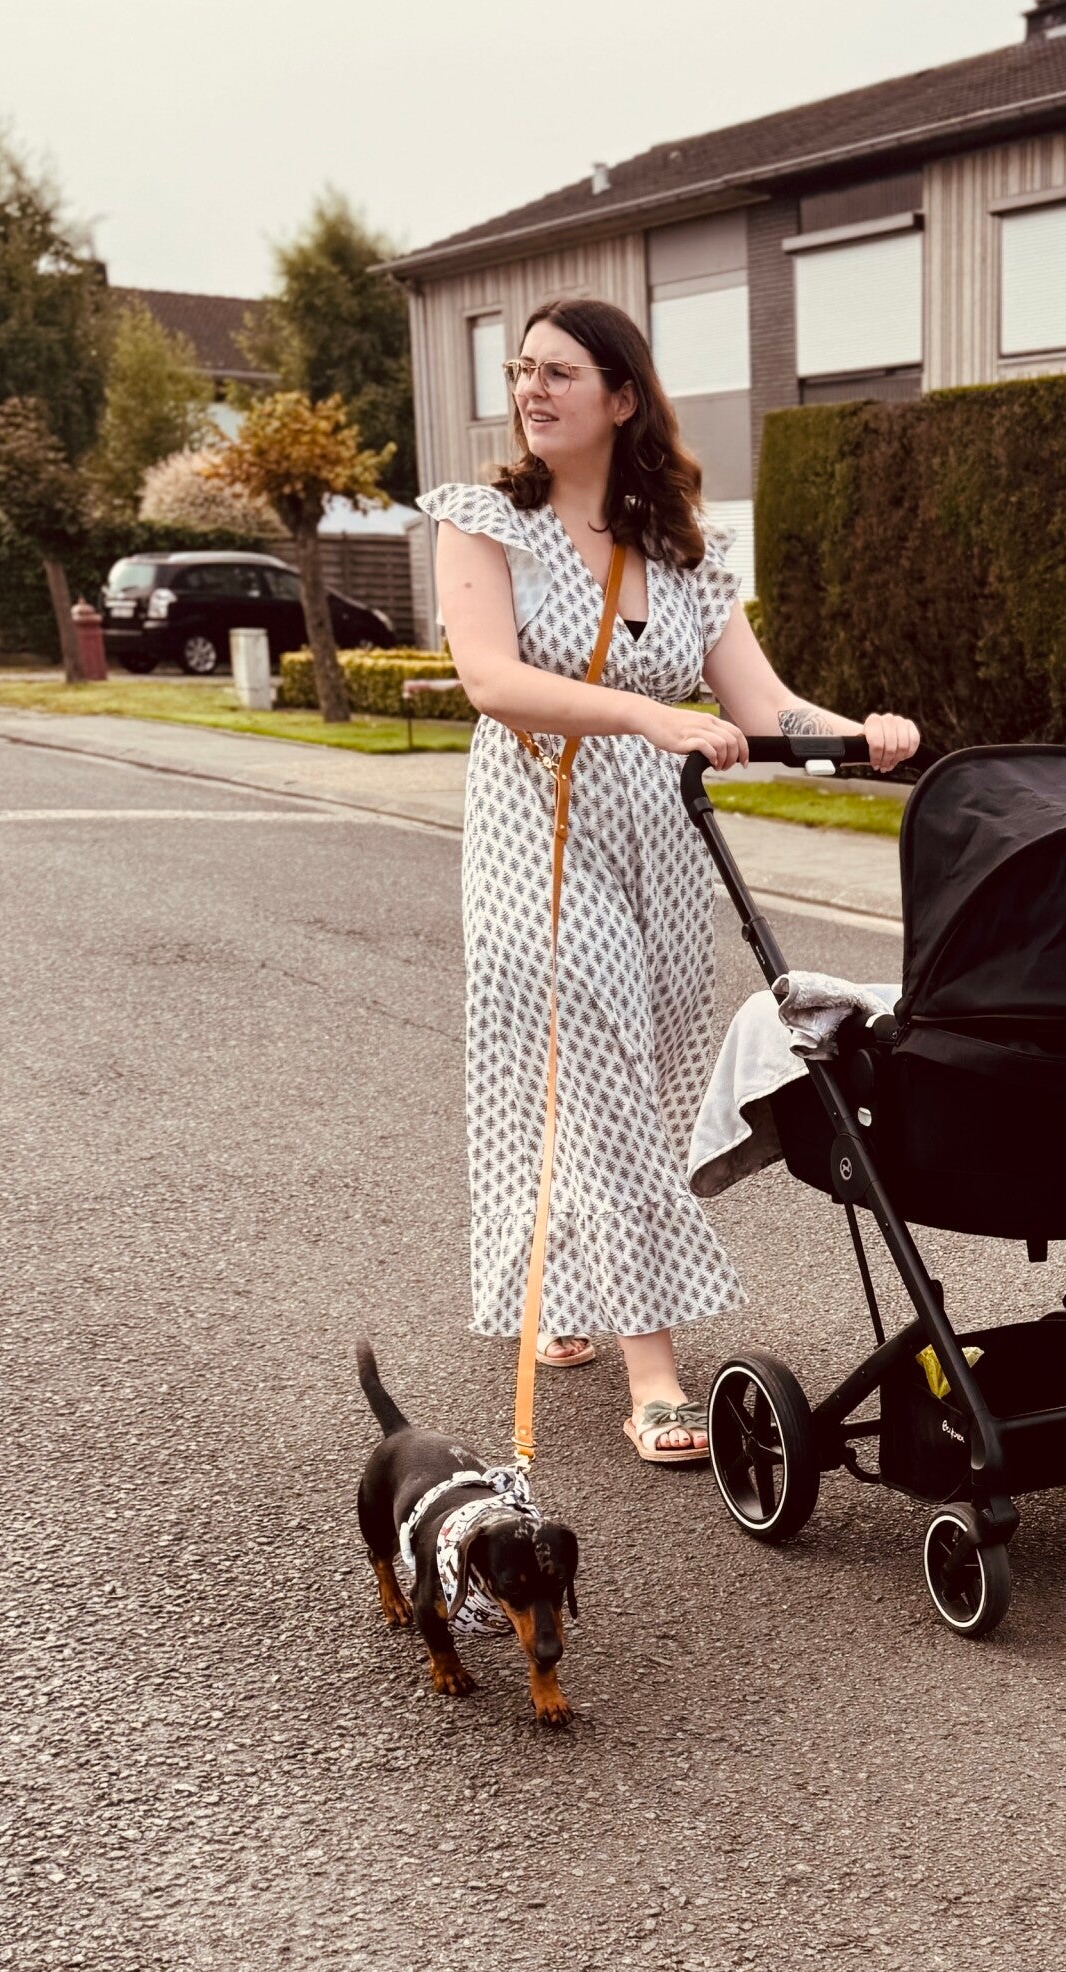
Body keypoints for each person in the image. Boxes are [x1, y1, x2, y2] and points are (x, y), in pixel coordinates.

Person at [420, 297, 919, 1466]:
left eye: (557, 373)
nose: (530, 389)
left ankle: (554, 1283)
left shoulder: (681, 548)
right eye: (521, 370)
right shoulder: (482, 522)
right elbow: (491, 681)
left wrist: (859, 738)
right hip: (536, 836)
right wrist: (650, 717)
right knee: (597, 1062)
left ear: (622, 397)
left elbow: (763, 703)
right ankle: (654, 1375)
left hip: (659, 843)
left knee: (619, 1078)